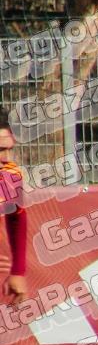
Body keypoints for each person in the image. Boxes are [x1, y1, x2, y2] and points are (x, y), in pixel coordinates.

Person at [0, 114, 28, 306]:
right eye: (1, 150)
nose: (7, 158)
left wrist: (18, 271)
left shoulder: (9, 175)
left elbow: (16, 216)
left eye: (10, 149)